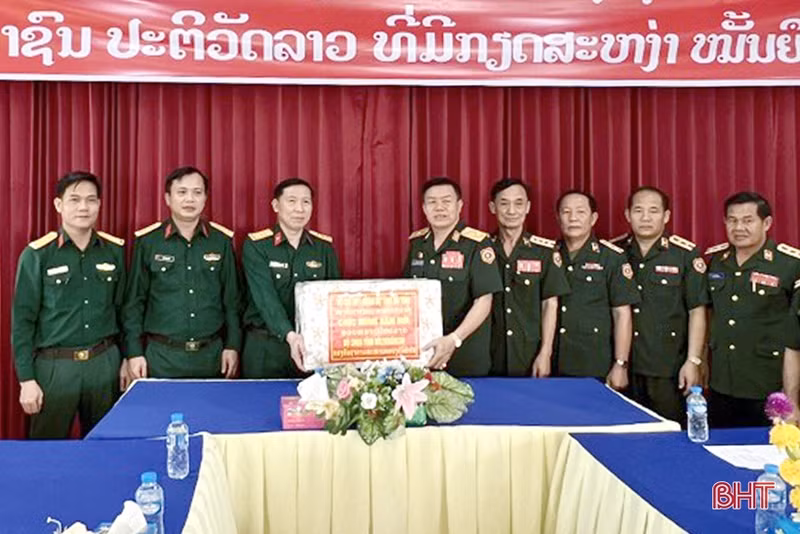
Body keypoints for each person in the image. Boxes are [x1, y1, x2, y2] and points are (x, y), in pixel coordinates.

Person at [12, 171, 126, 438]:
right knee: (46, 451)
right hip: (55, 368)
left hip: (104, 364)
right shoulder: (37, 254)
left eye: (91, 200)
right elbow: (22, 321)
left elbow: (123, 309)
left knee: (105, 447)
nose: (83, 207)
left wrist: (125, 359)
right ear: (58, 205)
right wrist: (26, 379)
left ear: (99, 204)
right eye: (74, 200)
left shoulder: (114, 251)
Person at [123, 166, 241, 380]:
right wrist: (133, 352)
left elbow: (232, 300)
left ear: (205, 198)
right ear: (168, 198)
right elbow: (134, 301)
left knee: (211, 414)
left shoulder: (221, 241)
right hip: (161, 356)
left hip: (211, 356)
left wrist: (232, 345)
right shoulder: (148, 242)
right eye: (182, 192)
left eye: (197, 192)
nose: (190, 199)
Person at [611, 186, 709, 424]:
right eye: (638, 210)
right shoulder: (614, 252)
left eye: (653, 211)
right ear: (627, 215)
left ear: (666, 216)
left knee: (668, 435)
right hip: (621, 364)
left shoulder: (684, 255)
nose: (645, 217)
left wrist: (694, 361)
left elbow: (697, 311)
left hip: (668, 367)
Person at [705, 192, 800, 427]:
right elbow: (708, 315)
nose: (739, 227)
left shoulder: (789, 264)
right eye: (732, 220)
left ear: (766, 223)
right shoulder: (716, 260)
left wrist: (792, 398)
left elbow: (794, 338)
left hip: (767, 385)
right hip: (721, 384)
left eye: (748, 220)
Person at [241, 177, 340, 377]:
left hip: (310, 348)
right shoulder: (257, 246)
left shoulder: (324, 248)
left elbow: (333, 299)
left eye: (306, 202)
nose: (299, 209)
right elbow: (265, 298)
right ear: (276, 205)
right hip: (265, 348)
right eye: (292, 201)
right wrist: (290, 335)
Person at [403, 177, 502, 376]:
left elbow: (484, 300)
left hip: (464, 353)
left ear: (459, 206)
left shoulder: (477, 244)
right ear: (424, 208)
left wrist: (454, 339)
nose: (439, 208)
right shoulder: (417, 244)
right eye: (432, 202)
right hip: (425, 354)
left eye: (446, 201)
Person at [554, 190, 640, 389]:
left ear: (593, 218)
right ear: (558, 218)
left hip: (594, 362)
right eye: (566, 212)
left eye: (580, 212)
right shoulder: (549, 254)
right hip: (554, 361)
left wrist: (620, 364)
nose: (573, 218)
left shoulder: (611, 258)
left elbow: (622, 314)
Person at [488, 178, 570, 377]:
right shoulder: (482, 248)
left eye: (518, 203)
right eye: (504, 203)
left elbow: (550, 304)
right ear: (493, 207)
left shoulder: (544, 251)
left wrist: (545, 353)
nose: (511, 211)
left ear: (528, 207)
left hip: (529, 352)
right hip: (489, 351)